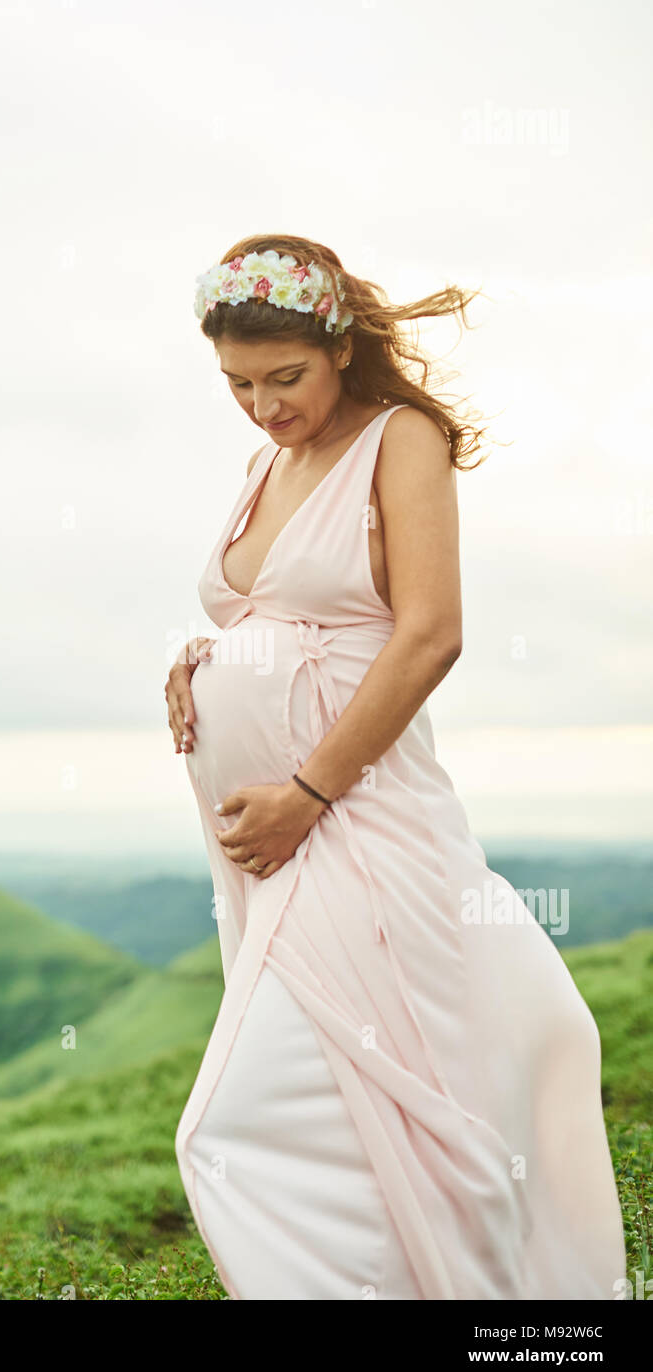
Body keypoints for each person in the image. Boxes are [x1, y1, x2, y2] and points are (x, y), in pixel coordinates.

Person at [165, 235, 626, 1300]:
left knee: (233, 1127)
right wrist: (204, 662)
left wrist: (305, 793)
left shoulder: (397, 440)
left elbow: (427, 634)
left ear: (336, 347)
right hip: (269, 851)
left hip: (351, 824)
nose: (264, 407)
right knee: (348, 1109)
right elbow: (283, 612)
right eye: (237, 385)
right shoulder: (263, 466)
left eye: (285, 379)